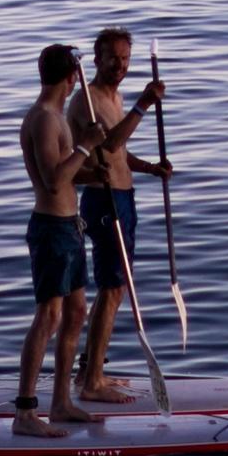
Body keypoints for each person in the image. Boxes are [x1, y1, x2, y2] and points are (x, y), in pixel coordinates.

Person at [68, 26, 172, 407]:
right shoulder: (87, 101)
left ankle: (89, 369)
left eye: (126, 59)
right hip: (103, 201)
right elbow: (108, 142)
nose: (120, 66)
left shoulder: (115, 96)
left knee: (113, 289)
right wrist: (143, 104)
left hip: (124, 197)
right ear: (97, 60)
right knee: (112, 288)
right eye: (113, 58)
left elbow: (120, 153)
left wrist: (150, 168)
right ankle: (92, 381)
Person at [14, 43, 95, 434]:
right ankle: (26, 412)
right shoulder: (45, 119)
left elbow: (69, 172)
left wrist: (96, 171)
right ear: (72, 78)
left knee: (77, 312)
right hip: (51, 230)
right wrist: (85, 146)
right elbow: (52, 179)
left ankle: (61, 402)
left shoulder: (57, 116)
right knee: (48, 316)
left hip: (71, 227)